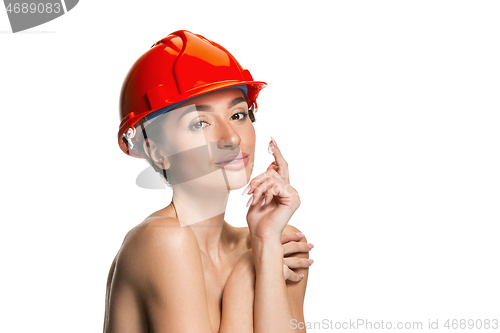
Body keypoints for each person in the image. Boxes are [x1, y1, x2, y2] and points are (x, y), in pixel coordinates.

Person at [104, 30, 314, 333]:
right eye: (199, 123)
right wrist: (246, 278)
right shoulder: (163, 241)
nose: (230, 138)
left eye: (238, 115)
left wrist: (266, 243)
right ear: (156, 150)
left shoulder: (277, 241)